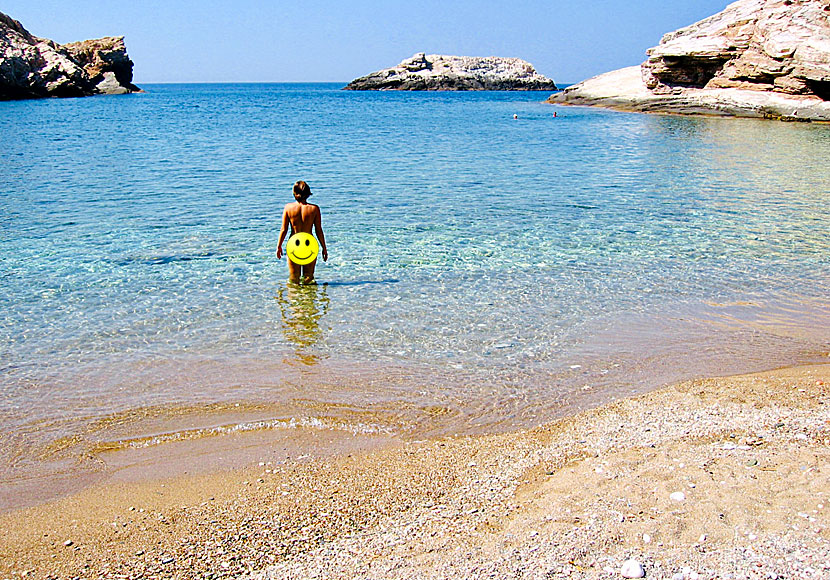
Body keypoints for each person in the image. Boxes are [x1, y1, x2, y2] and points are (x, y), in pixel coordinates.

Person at [276, 180, 328, 284]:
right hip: (309, 244)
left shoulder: (288, 208)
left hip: (293, 244)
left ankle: (295, 298)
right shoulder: (314, 209)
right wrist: (324, 248)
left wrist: (279, 246)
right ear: (308, 193)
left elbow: (284, 229)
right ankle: (309, 298)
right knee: (309, 278)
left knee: (294, 279)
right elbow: (319, 230)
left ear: (294, 193)